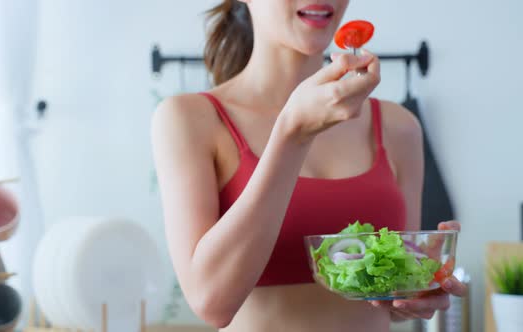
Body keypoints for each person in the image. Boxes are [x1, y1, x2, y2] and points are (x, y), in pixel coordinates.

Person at [151, 0, 466, 331]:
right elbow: (211, 302)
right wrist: (292, 135)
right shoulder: (190, 119)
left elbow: (392, 300)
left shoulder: (399, 126)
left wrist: (415, 290)